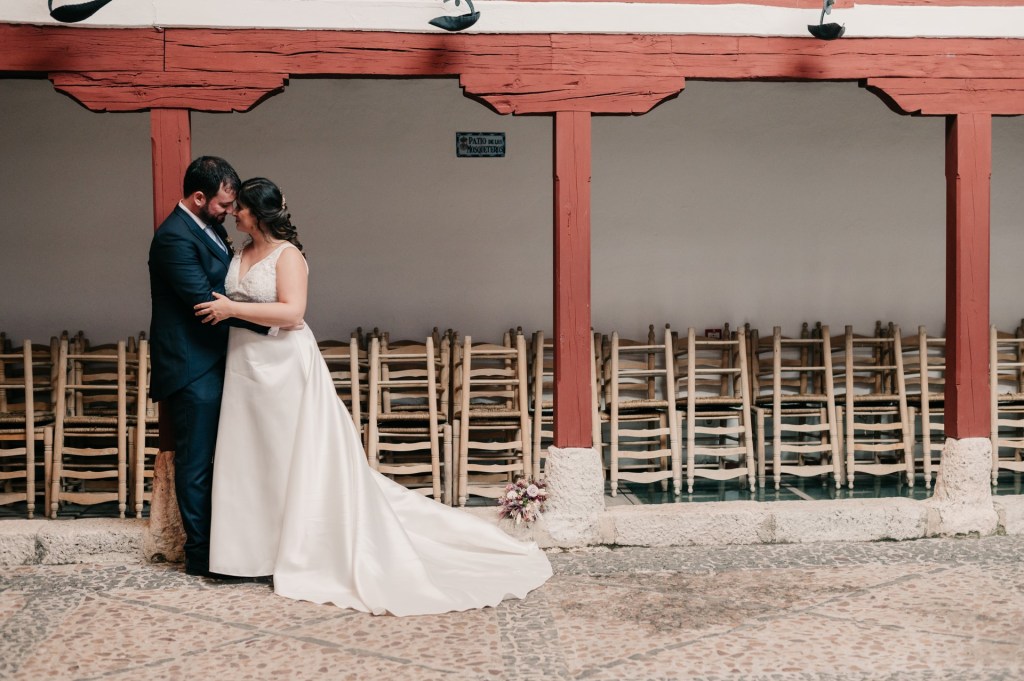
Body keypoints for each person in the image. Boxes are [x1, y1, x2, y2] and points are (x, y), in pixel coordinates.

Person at [196, 178, 552, 616]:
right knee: (254, 457)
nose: (234, 213)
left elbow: (293, 312)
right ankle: (255, 553)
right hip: (245, 365)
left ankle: (302, 548)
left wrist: (232, 309)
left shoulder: (288, 256)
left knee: (291, 454)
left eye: (241, 208)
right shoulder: (238, 251)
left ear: (259, 212)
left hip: (284, 367)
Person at [148, 157, 271, 579]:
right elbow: (205, 303)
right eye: (224, 204)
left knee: (231, 456)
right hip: (191, 365)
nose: (230, 211)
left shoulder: (210, 227)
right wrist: (273, 321)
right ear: (199, 197)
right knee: (197, 463)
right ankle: (200, 556)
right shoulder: (173, 238)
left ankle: (230, 547)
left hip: (222, 358)